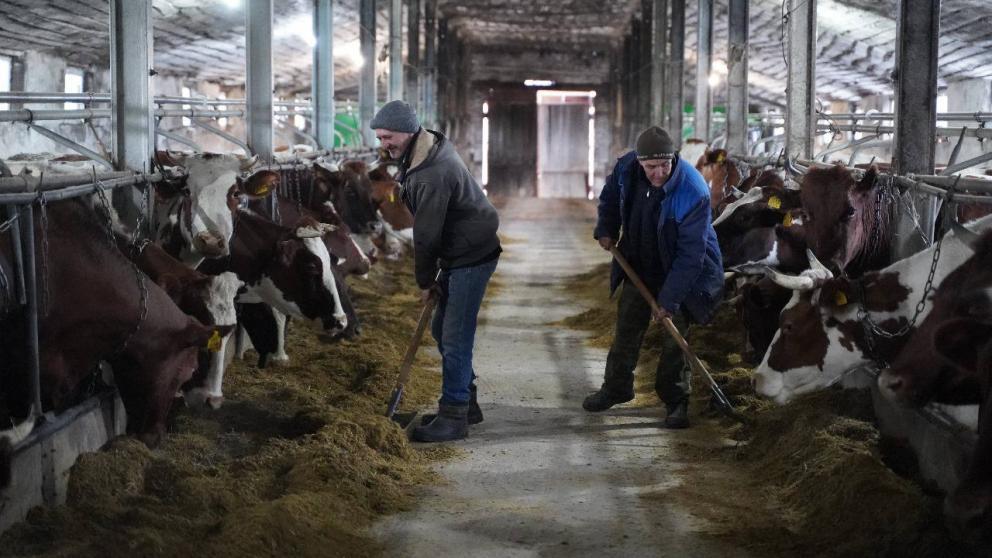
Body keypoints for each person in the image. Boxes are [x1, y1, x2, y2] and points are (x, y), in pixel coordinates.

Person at [371, 100, 501, 443]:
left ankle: (454, 415)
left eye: (388, 137)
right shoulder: (424, 150)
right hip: (460, 248)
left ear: (408, 131)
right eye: (380, 138)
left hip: (470, 254)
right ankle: (467, 400)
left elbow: (426, 238)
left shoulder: (431, 173)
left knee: (456, 336)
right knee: (442, 328)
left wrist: (425, 281)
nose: (384, 144)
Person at [585, 126, 724, 428]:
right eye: (651, 166)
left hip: (686, 271)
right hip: (640, 263)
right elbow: (609, 200)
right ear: (639, 162)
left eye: (665, 164)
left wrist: (669, 300)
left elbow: (691, 256)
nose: (659, 172)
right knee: (627, 326)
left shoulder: (692, 190)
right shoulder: (625, 170)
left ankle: (676, 400)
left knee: (676, 336)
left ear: (673, 158)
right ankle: (617, 388)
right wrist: (606, 228)